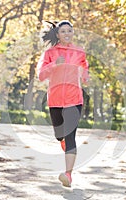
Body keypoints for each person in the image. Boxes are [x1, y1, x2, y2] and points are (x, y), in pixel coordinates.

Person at [37, 20, 89, 187]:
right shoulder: (50, 53)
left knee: (71, 136)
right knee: (60, 135)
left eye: (70, 31)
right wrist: (54, 64)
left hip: (74, 100)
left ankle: (68, 174)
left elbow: (84, 66)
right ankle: (63, 141)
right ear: (57, 34)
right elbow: (41, 76)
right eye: (63, 31)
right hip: (56, 100)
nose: (67, 34)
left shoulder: (79, 52)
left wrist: (85, 76)